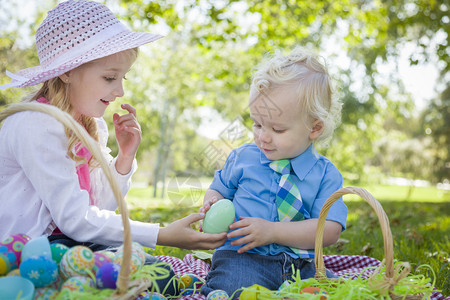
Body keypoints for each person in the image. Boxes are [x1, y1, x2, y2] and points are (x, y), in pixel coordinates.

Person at [0, 0, 226, 295]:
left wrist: (124, 157)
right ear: (67, 72)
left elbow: (97, 210)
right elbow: (75, 219)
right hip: (32, 252)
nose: (120, 91)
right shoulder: (35, 123)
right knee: (147, 275)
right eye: (109, 77)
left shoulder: (89, 124)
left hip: (70, 244)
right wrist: (161, 234)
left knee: (160, 273)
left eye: (122, 78)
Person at [199, 48, 348, 298]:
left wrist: (273, 231)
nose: (262, 137)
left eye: (277, 129)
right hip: (243, 258)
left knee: (339, 292)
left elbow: (329, 230)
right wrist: (212, 202)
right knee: (234, 288)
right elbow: (218, 189)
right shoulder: (242, 158)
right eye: (257, 124)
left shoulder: (326, 175)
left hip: (301, 266)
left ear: (315, 128)